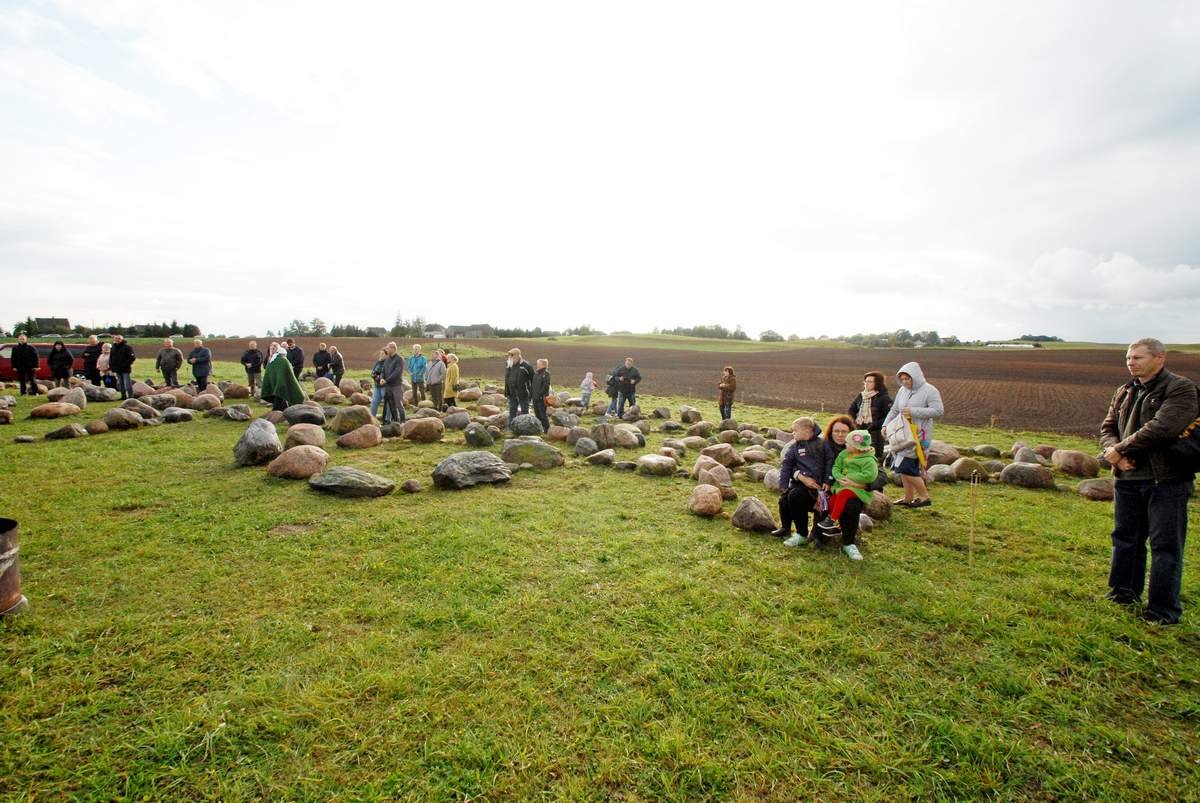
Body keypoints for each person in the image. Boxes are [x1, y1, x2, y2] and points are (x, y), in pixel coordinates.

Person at [1101, 337, 1198, 625]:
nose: (1131, 362)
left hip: (1165, 480)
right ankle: (1122, 593)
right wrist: (1114, 454)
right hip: (1128, 477)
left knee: (1165, 546)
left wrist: (1120, 449)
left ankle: (1162, 611)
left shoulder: (1180, 388)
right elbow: (1108, 427)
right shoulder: (1125, 390)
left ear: (1160, 358)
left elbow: (1163, 427)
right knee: (1125, 539)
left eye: (1138, 357)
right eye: (1129, 358)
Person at [881, 361, 943, 509]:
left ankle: (924, 496)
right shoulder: (902, 391)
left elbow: (938, 411)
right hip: (901, 434)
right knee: (902, 466)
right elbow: (895, 410)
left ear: (916, 376)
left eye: (907, 378)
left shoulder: (930, 390)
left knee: (905, 466)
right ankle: (908, 497)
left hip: (919, 436)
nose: (904, 382)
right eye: (901, 379)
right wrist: (885, 424)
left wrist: (914, 411)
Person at [814, 429, 878, 561]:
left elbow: (870, 475)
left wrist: (850, 478)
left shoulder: (868, 459)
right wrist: (838, 477)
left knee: (844, 498)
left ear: (858, 446)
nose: (845, 444)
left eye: (849, 443)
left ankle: (834, 523)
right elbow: (836, 467)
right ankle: (825, 529)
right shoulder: (844, 454)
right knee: (833, 499)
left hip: (858, 490)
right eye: (836, 430)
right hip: (840, 485)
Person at [773, 417, 832, 546]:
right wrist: (783, 484)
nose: (792, 433)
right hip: (799, 483)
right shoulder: (794, 447)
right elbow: (786, 464)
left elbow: (829, 462)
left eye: (795, 430)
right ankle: (786, 528)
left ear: (807, 431)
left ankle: (803, 534)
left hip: (818, 488)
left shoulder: (822, 444)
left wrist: (827, 480)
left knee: (795, 496)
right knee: (783, 499)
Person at [849, 371, 892, 465]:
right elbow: (851, 409)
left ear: (877, 383)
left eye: (870, 381)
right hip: (860, 431)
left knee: (873, 457)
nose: (866, 384)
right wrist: (854, 422)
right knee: (859, 455)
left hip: (875, 434)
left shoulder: (884, 398)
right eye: (865, 381)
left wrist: (875, 425)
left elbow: (890, 416)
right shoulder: (861, 396)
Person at [261, 342, 305, 411]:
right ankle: (281, 408)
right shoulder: (271, 360)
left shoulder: (282, 359)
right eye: (271, 349)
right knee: (278, 394)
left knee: (281, 392)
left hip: (282, 383)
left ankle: (280, 408)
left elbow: (288, 371)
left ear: (278, 349)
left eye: (274, 348)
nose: (272, 350)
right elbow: (269, 372)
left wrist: (281, 381)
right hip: (275, 383)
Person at [504, 347, 534, 423]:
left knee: (525, 412)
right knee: (512, 411)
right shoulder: (508, 365)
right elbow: (507, 379)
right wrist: (506, 391)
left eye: (512, 356)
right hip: (512, 393)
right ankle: (511, 427)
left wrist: (531, 394)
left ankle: (525, 428)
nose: (509, 358)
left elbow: (533, 380)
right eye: (509, 356)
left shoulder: (526, 366)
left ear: (517, 356)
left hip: (523, 394)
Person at [380, 342, 407, 424]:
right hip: (388, 386)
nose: (386, 350)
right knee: (391, 405)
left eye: (388, 348)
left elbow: (397, 372)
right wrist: (381, 378)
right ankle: (395, 422)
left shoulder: (399, 359)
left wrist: (386, 380)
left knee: (398, 405)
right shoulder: (387, 359)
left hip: (396, 386)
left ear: (393, 349)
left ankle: (403, 423)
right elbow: (383, 370)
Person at [109, 334, 136, 400]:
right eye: (116, 339)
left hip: (125, 369)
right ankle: (123, 396)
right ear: (114, 340)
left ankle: (130, 397)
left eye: (119, 339)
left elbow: (132, 358)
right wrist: (112, 366)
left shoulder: (127, 347)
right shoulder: (113, 347)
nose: (117, 340)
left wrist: (125, 364)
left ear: (122, 339)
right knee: (121, 384)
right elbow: (111, 358)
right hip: (117, 369)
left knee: (127, 384)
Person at [531, 358, 552, 432]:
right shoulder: (536, 374)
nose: (537, 365)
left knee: (543, 415)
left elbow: (546, 386)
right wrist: (532, 395)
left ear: (543, 365)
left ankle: (547, 429)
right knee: (537, 414)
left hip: (541, 398)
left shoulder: (546, 374)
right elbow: (533, 386)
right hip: (535, 398)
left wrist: (540, 395)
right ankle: (540, 428)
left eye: (538, 364)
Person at [369, 348, 388, 419]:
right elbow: (372, 373)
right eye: (380, 354)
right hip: (377, 386)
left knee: (387, 404)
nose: (381, 355)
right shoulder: (378, 362)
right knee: (374, 402)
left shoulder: (388, 363)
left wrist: (378, 377)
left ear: (387, 355)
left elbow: (386, 374)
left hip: (384, 386)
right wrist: (376, 376)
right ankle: (372, 418)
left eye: (382, 354)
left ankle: (387, 419)